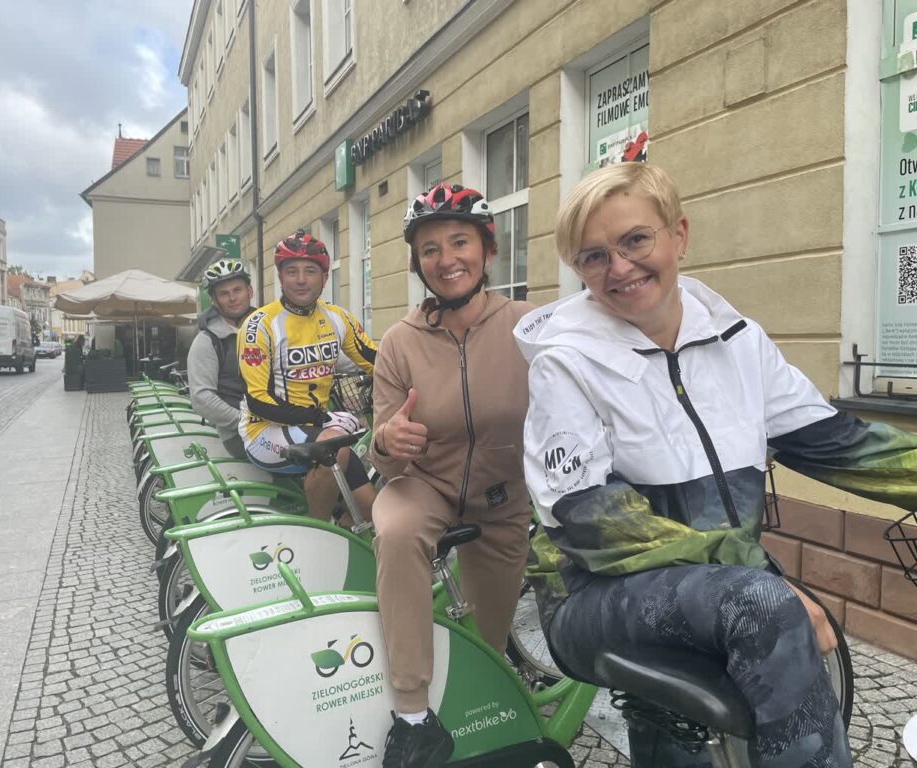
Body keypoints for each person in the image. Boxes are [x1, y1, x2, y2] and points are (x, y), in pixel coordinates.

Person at [517, 162, 917, 767]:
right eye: (594, 257)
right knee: (763, 607)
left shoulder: (739, 342)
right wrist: (754, 570)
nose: (619, 268)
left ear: (678, 235)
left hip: (712, 579)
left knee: (695, 717)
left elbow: (844, 444)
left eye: (635, 240)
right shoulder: (565, 362)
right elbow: (589, 518)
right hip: (589, 592)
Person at [368, 184, 535, 768]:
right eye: (430, 249)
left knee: (485, 646)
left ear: (489, 250)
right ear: (418, 264)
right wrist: (388, 442)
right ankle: (413, 715)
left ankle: (477, 716)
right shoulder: (399, 342)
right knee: (395, 530)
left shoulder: (527, 326)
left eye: (460, 242)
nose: (446, 259)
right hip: (426, 486)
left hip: (504, 496)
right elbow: (382, 451)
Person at [237, 229, 378, 522]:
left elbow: (375, 360)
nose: (301, 280)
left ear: (324, 277)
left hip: (320, 431)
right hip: (264, 432)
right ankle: (319, 531)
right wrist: (320, 418)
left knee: (370, 509)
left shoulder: (337, 317)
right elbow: (258, 401)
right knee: (335, 446)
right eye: (292, 271)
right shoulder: (259, 325)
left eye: (310, 271)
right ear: (281, 277)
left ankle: (342, 540)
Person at [186, 257, 257, 457]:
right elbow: (202, 398)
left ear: (250, 291)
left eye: (237, 290)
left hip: (278, 422)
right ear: (215, 301)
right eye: (224, 294)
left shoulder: (266, 328)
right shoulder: (207, 341)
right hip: (238, 434)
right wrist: (246, 422)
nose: (232, 298)